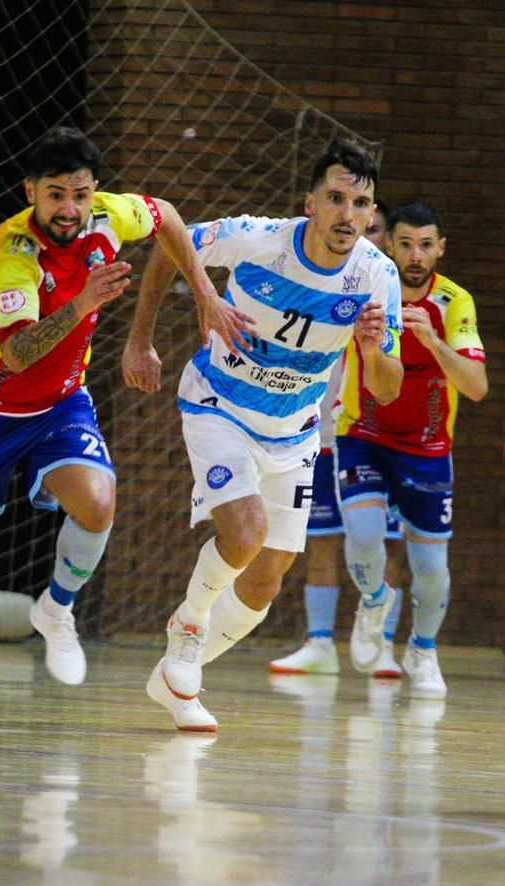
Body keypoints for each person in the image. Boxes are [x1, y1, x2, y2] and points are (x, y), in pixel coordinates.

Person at [0, 127, 248, 724]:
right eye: (55, 195)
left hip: (60, 405)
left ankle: (57, 608)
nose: (70, 209)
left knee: (98, 503)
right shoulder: (13, 251)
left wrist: (203, 293)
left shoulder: (107, 216)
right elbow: (18, 354)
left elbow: (168, 216)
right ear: (31, 193)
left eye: (79, 194)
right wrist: (83, 304)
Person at [122, 140, 403, 731]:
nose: (348, 214)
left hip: (295, 429)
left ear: (372, 213)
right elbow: (172, 240)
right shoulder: (258, 239)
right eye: (335, 198)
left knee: (266, 580)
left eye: (361, 203)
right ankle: (189, 626)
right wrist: (141, 337)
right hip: (218, 405)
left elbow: (386, 388)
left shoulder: (377, 276)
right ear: (310, 202)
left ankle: (177, 672)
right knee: (244, 532)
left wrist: (372, 350)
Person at [335, 203, 487, 697]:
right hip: (364, 432)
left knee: (431, 570)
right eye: (405, 244)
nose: (415, 255)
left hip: (428, 445)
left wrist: (434, 341)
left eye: (426, 244)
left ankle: (422, 650)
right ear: (389, 245)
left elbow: (478, 386)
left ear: (440, 248)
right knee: (361, 537)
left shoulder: (455, 301)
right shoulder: (367, 290)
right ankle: (376, 600)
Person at [269, 199, 410, 678]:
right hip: (318, 429)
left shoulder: (389, 294)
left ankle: (384, 644)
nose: (366, 236)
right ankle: (320, 641)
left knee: (383, 541)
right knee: (321, 538)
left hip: (373, 438)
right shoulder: (314, 280)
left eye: (376, 229)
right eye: (361, 229)